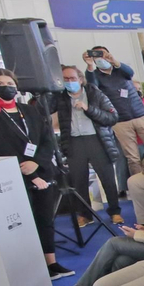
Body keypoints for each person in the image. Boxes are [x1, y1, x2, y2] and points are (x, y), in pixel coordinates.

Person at [0, 68, 69, 279]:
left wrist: (36, 164)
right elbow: (0, 144)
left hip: (40, 168)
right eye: (0, 83)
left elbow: (46, 139)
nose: (7, 86)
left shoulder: (28, 110)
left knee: (46, 218)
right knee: (23, 221)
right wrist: (29, 173)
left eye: (10, 82)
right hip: (14, 174)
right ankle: (31, 266)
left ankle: (51, 263)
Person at [50, 64, 124, 228]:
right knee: (78, 180)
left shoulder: (95, 93)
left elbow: (112, 118)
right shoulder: (60, 97)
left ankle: (114, 211)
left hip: (97, 139)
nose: (70, 82)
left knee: (107, 178)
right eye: (66, 79)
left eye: (73, 78)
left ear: (80, 79)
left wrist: (88, 109)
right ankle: (84, 214)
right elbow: (44, 111)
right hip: (74, 141)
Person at [85, 46, 144, 178]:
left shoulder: (120, 70)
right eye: (97, 56)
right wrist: (89, 66)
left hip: (140, 115)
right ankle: (141, 185)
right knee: (132, 157)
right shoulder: (95, 76)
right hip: (120, 121)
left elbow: (130, 73)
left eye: (103, 54)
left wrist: (114, 61)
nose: (101, 58)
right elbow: (92, 86)